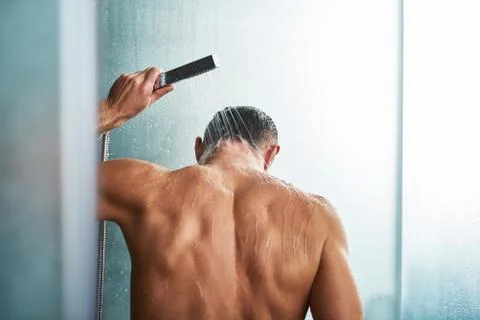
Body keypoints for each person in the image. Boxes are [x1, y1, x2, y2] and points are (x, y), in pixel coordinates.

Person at [97, 67, 363, 320]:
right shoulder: (318, 219)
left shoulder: (149, 190)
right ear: (271, 154)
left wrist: (112, 110)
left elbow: (55, 176)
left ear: (199, 148)